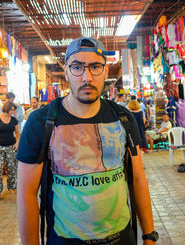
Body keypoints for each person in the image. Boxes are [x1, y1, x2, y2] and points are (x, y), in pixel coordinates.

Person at [17, 37, 158, 245]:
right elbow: (27, 194)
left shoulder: (123, 118)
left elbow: (138, 179)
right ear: (66, 71)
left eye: (95, 67)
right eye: (77, 67)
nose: (87, 77)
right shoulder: (40, 123)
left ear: (105, 70)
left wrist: (149, 236)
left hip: (122, 239)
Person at [0, 102, 20, 196]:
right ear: (7, 109)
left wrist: (17, 142)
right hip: (0, 147)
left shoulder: (14, 120)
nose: (13, 111)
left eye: (14, 109)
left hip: (11, 147)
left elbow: (17, 133)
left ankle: (12, 187)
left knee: (11, 168)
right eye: (12, 109)